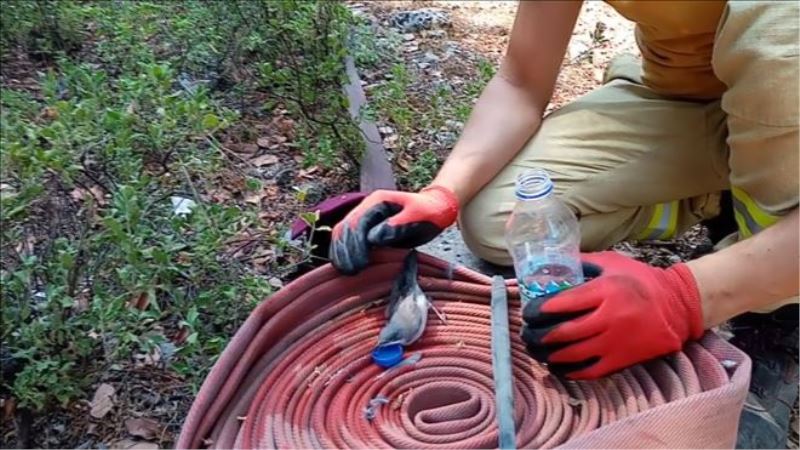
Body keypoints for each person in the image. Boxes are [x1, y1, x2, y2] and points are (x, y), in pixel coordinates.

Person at [329, 1, 799, 447]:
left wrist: (685, 297)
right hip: (685, 100)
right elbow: (520, 82)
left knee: (776, 25)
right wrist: (443, 193)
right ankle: (724, 201)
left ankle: (776, 305)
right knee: (503, 219)